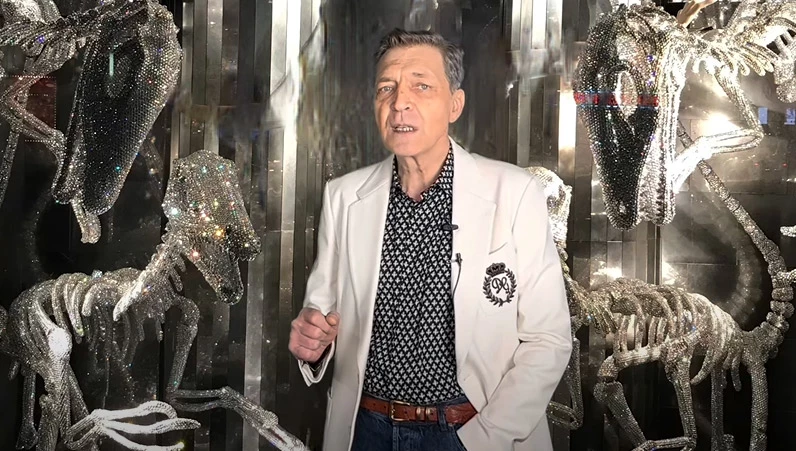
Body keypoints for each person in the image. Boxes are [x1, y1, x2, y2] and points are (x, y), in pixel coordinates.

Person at [288, 28, 571, 451]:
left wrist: (484, 437)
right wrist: (312, 343)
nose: (399, 102)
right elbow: (321, 313)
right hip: (366, 430)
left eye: (421, 86)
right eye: (386, 88)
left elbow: (549, 339)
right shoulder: (343, 197)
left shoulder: (513, 193)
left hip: (472, 429)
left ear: (455, 104)